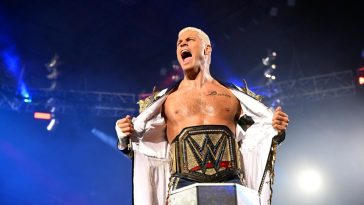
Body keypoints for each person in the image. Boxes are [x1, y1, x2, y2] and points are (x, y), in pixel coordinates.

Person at [115, 27, 289, 205]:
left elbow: (256, 133)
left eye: (189, 39)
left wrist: (275, 127)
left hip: (231, 182)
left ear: (207, 49)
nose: (182, 43)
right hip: (183, 184)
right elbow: (145, 147)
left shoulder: (233, 98)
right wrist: (123, 136)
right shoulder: (166, 101)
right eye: (178, 43)